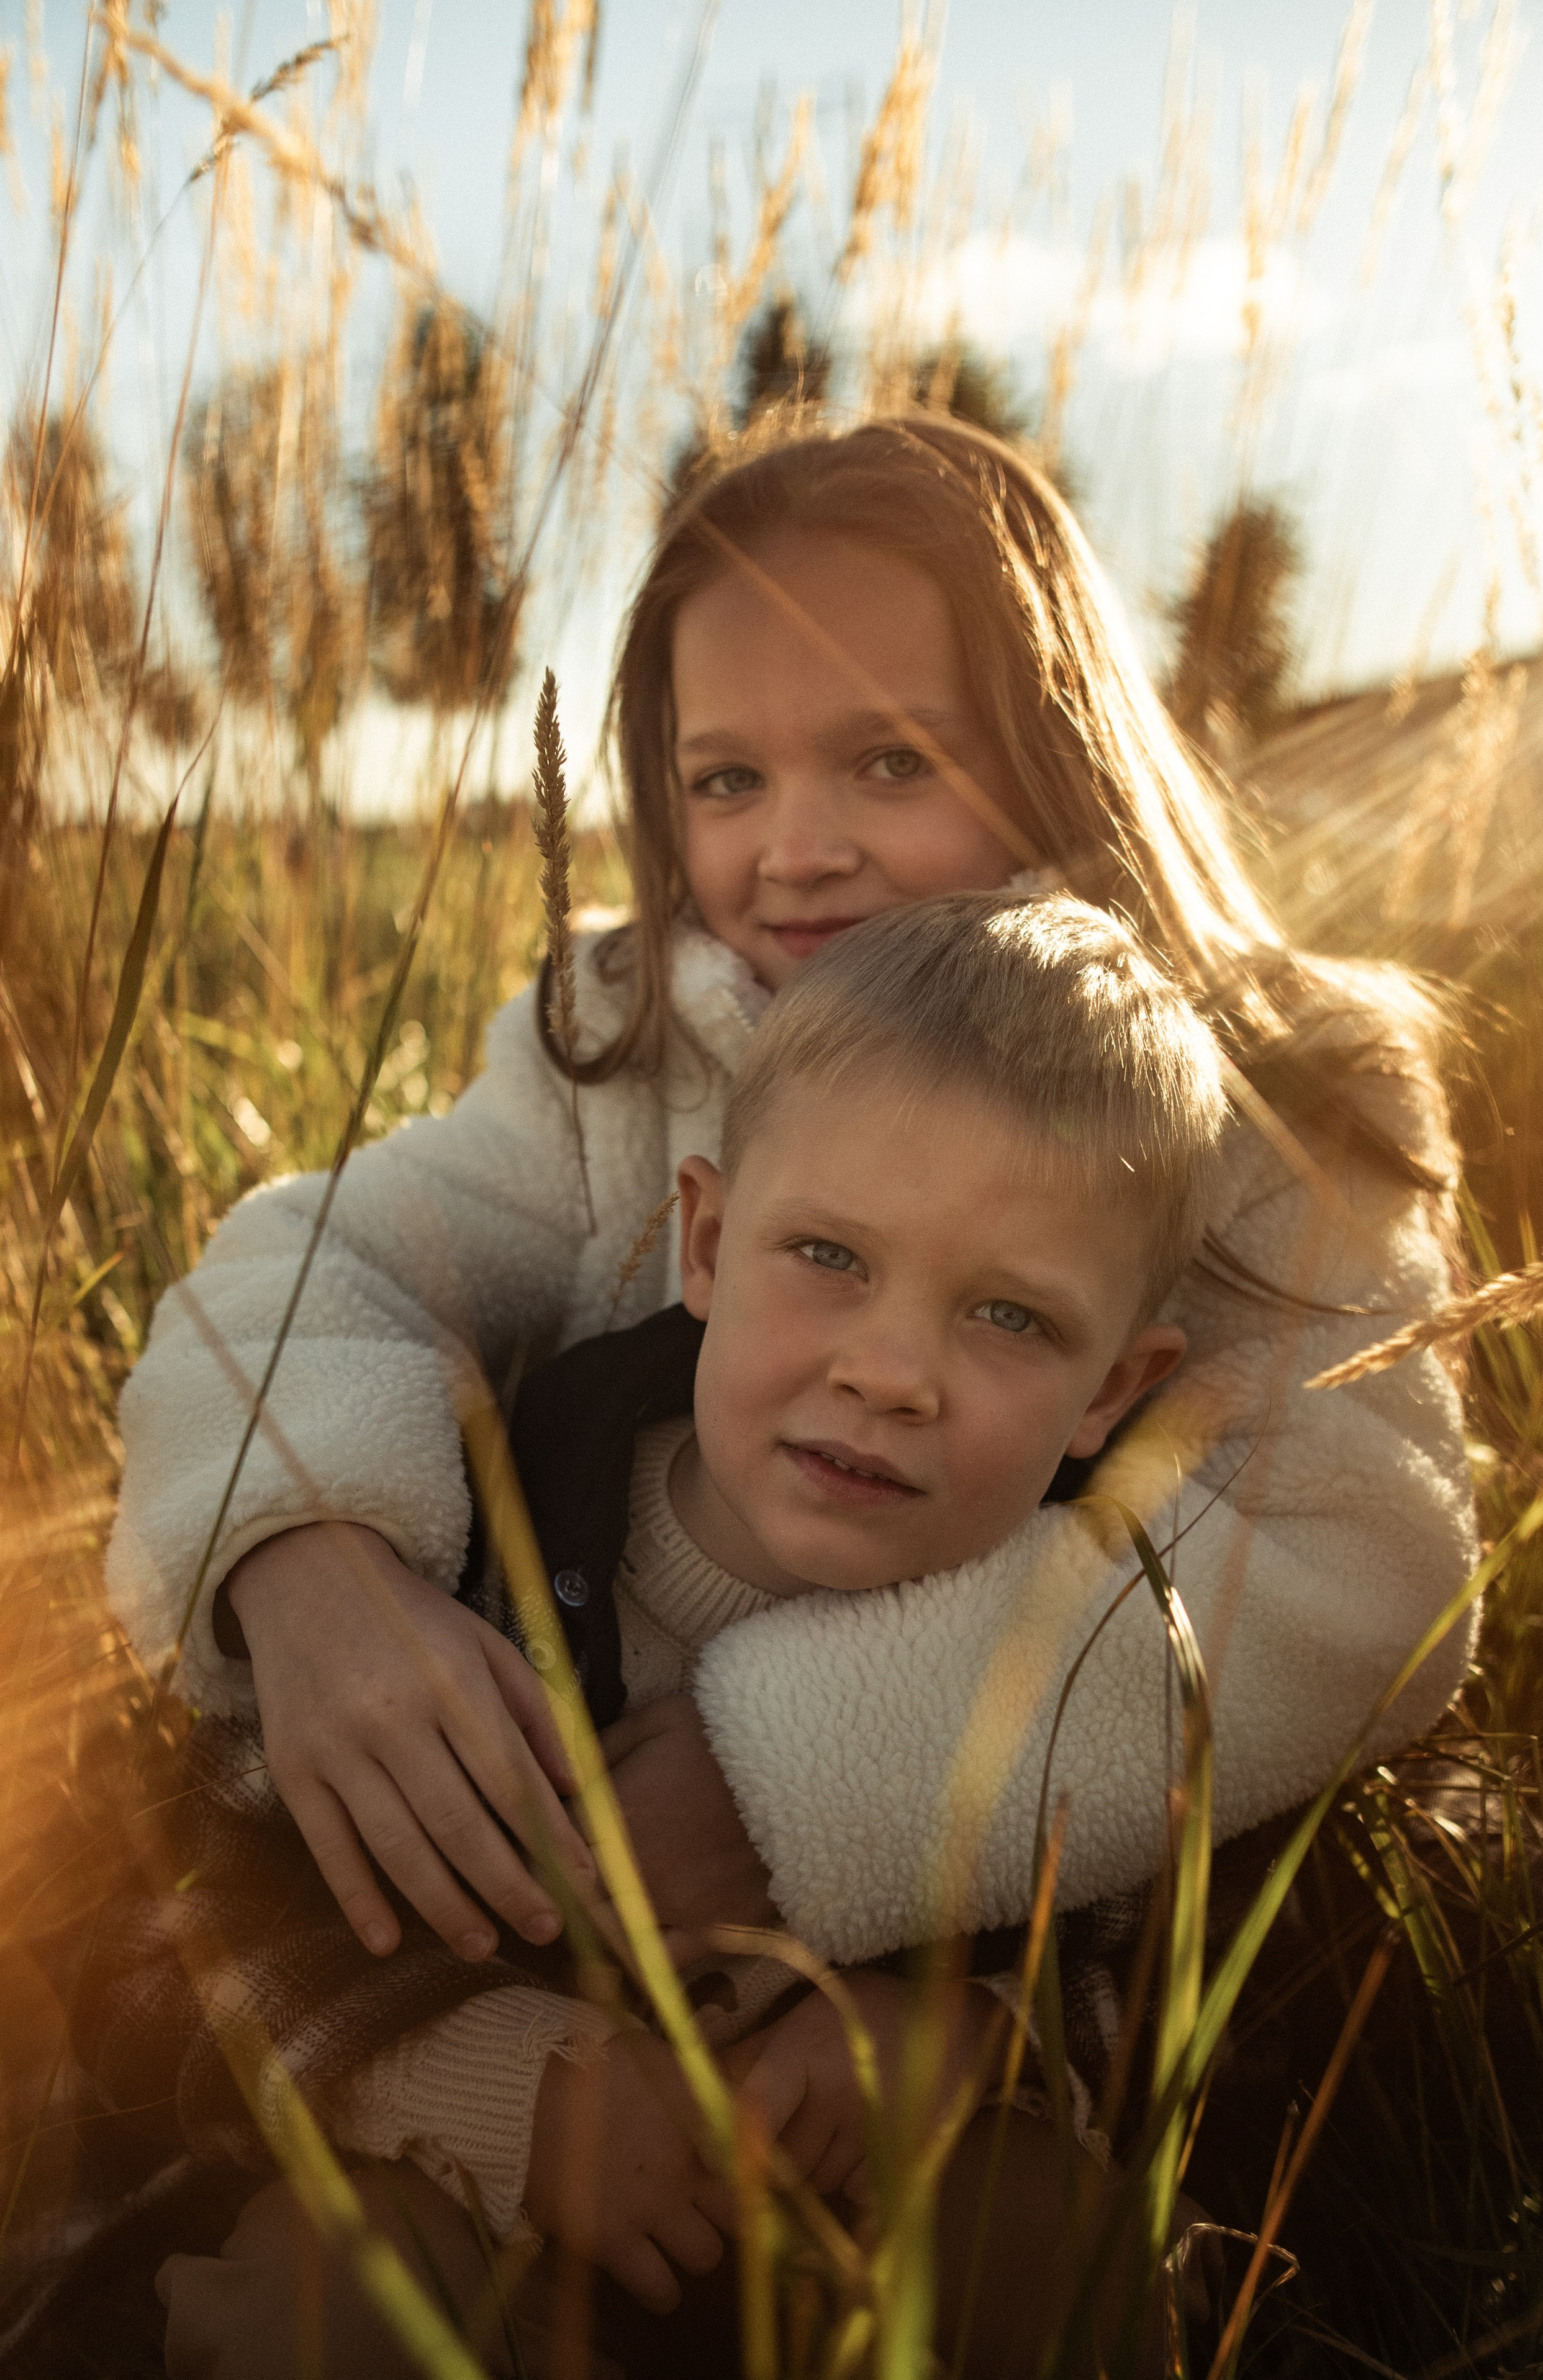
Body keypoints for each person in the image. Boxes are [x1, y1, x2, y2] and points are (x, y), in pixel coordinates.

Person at [155, 886, 1236, 2377]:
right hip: (484, 2218)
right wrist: (509, 2096)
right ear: (710, 1242)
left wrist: (972, 2042)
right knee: (325, 2307)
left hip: (851, 2236)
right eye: (832, 1259)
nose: (890, 1373)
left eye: (1008, 1319)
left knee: (1070, 2268)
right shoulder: (488, 1514)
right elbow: (218, 1903)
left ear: (1114, 1390)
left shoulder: (1072, 1623)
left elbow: (1148, 1943)